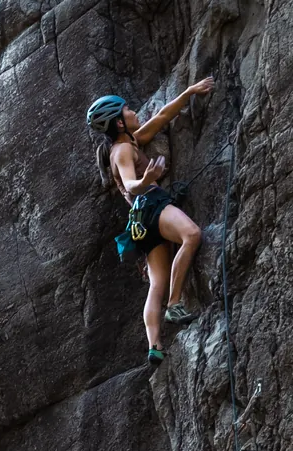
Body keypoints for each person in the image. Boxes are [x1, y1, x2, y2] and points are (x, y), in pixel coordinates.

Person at [86, 80, 213, 363]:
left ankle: (154, 345)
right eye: (128, 110)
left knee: (157, 283)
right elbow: (130, 184)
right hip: (151, 204)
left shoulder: (129, 142)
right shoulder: (121, 151)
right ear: (119, 123)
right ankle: (175, 303)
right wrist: (147, 180)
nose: (133, 112)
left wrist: (189, 93)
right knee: (192, 235)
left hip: (140, 223)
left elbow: (162, 118)